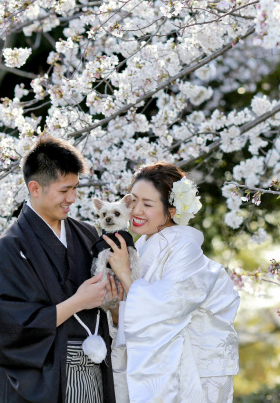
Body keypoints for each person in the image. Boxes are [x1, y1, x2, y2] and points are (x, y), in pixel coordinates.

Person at [0, 135, 117, 403]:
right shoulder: (8, 249)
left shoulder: (87, 234)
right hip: (43, 378)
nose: (72, 198)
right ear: (35, 188)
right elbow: (10, 328)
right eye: (64, 191)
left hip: (92, 369)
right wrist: (78, 302)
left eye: (75, 188)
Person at [103, 162, 240, 403]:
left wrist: (125, 274)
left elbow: (170, 304)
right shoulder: (143, 246)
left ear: (172, 211)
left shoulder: (184, 246)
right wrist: (115, 310)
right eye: (133, 200)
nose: (135, 210)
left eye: (147, 204)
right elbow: (134, 311)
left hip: (185, 372)